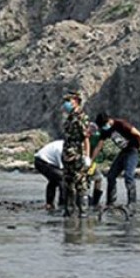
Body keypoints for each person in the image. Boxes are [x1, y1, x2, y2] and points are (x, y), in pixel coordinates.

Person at [94, 112, 140, 212]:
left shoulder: (121, 124)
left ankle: (132, 203)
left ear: (109, 120)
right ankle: (110, 202)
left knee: (129, 176)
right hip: (123, 152)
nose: (104, 127)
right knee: (111, 176)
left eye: (104, 124)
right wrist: (90, 160)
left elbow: (139, 134)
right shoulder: (105, 130)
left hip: (133, 151)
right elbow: (99, 146)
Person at [60, 90, 92, 218]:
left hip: (78, 153)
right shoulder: (70, 117)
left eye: (69, 101)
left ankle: (83, 212)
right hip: (68, 153)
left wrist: (87, 156)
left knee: (80, 182)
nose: (66, 103)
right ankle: (69, 211)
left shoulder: (81, 117)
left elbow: (86, 138)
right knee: (68, 182)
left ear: (77, 101)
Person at [34, 139, 64, 211]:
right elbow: (62, 168)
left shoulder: (64, 145)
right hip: (41, 162)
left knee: (54, 180)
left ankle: (49, 203)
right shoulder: (60, 150)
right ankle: (62, 204)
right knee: (61, 179)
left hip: (48, 161)